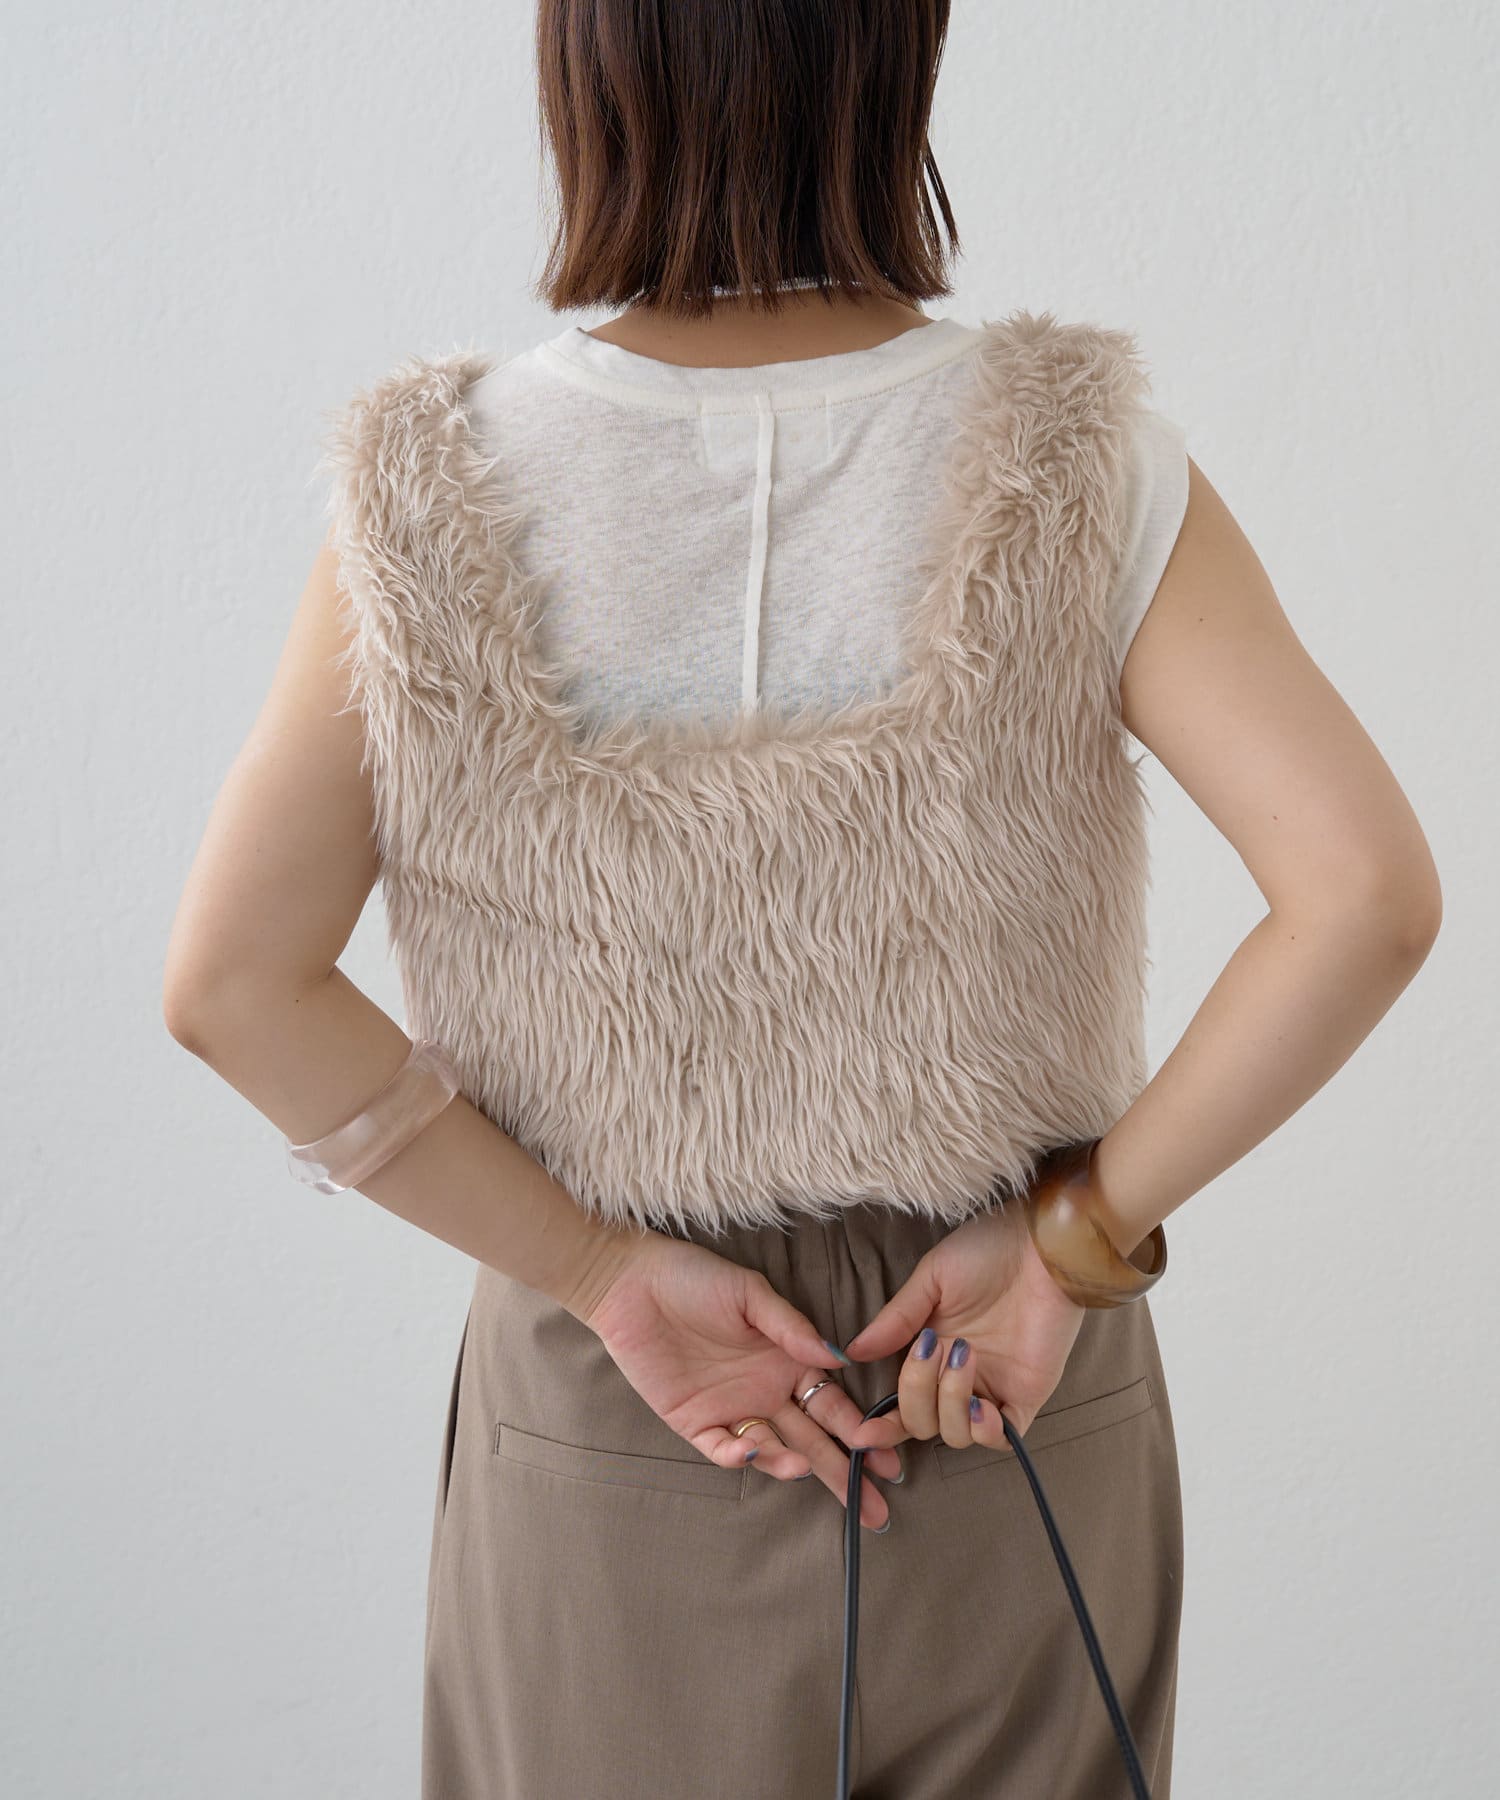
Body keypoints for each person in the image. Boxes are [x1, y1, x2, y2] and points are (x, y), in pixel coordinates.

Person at [162, 4, 1443, 1796]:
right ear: (896, 62)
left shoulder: (426, 495)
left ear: (590, 71)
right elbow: (1364, 896)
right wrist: (1074, 1240)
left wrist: (595, 1269)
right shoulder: (1085, 456)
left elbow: (234, 985)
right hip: (987, 1367)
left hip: (624, 1399)